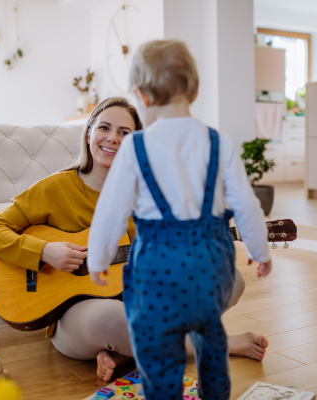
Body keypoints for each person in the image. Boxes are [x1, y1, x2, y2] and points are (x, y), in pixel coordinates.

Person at [0, 97, 268, 386]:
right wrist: (44, 251)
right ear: (89, 132)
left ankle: (123, 356)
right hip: (77, 316)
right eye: (104, 128)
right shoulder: (55, 187)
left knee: (232, 279)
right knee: (114, 319)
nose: (113, 139)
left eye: (124, 133)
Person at [87, 40, 272, 399]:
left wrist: (97, 258)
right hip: (211, 268)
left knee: (158, 350)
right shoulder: (220, 143)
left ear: (140, 94)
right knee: (210, 334)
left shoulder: (134, 148)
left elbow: (110, 212)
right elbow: (247, 205)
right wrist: (260, 249)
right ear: (196, 89)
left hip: (157, 270)